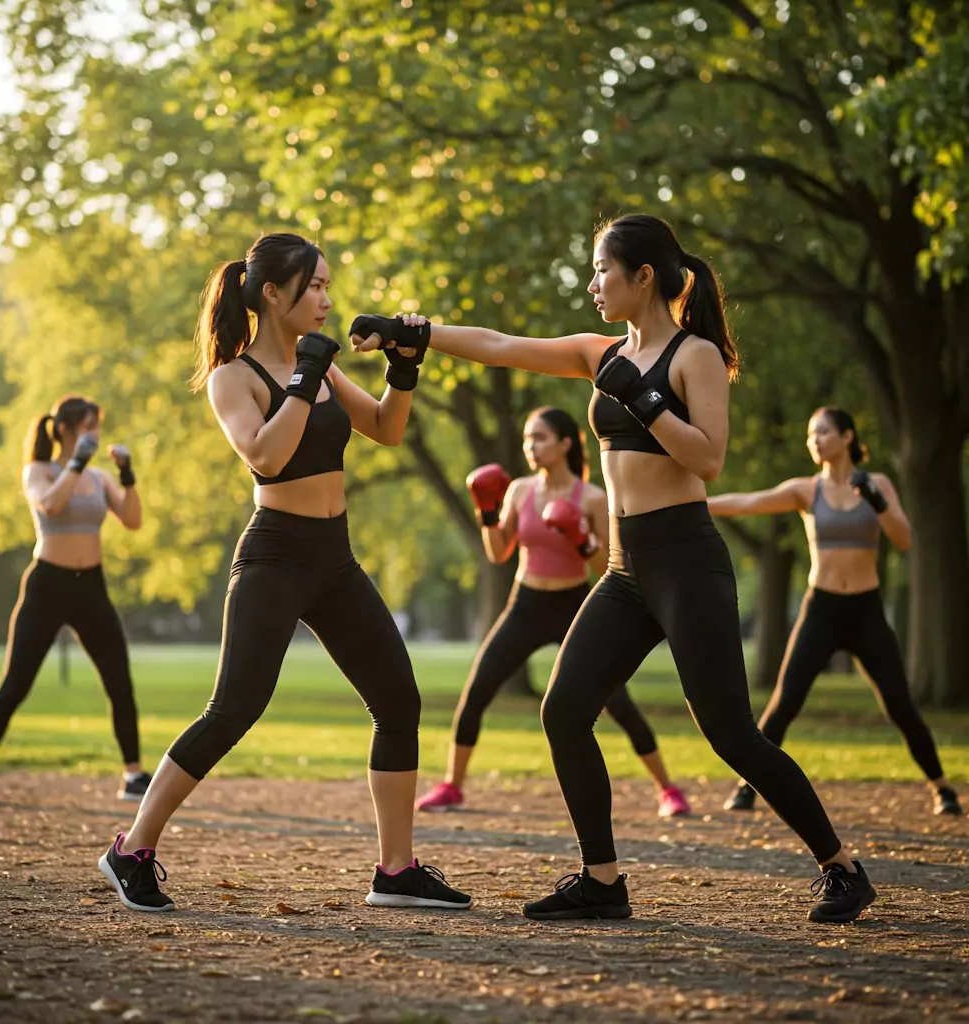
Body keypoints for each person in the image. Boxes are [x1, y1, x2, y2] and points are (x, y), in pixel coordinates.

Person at [351, 213, 876, 925]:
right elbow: (501, 346)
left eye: (602, 270)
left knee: (731, 734)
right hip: (626, 573)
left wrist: (646, 399)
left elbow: (709, 458)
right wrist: (413, 333)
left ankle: (842, 868)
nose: (593, 284)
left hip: (687, 564)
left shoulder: (694, 356)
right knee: (564, 710)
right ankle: (602, 880)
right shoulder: (601, 354)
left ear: (644, 276)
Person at [97, 232, 470, 914]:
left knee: (399, 703)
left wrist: (404, 370)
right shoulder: (233, 377)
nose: (326, 299)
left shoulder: (320, 366)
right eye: (314, 286)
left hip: (335, 558)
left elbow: (386, 428)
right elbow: (266, 456)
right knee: (233, 710)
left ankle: (396, 871)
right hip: (274, 556)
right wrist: (303, 377)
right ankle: (131, 849)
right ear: (273, 293)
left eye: (328, 286)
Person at [416, 406, 690, 818]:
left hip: (573, 606)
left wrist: (582, 539)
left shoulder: (592, 498)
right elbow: (498, 553)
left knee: (617, 701)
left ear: (565, 444)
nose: (531, 447)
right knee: (477, 691)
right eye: (528, 439)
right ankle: (452, 786)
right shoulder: (519, 491)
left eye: (540, 438)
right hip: (525, 605)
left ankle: (668, 789)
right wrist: (486, 511)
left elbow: (610, 565)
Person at [710, 407, 962, 817]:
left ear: (847, 437)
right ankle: (747, 787)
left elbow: (903, 539)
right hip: (821, 610)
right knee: (786, 701)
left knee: (900, 705)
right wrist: (697, 503)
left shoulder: (877, 484)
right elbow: (750, 501)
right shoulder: (806, 490)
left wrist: (877, 502)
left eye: (824, 432)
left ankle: (942, 788)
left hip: (866, 611)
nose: (815, 440)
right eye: (811, 434)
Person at [0, 396, 150, 805]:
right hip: (47, 585)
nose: (95, 434)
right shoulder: (40, 471)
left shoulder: (99, 478)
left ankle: (133, 775)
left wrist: (127, 475)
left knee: (119, 680)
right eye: (88, 427)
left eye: (97, 427)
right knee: (16, 683)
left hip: (90, 587)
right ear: (64, 429)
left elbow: (132, 521)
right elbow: (51, 505)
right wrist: (75, 463)